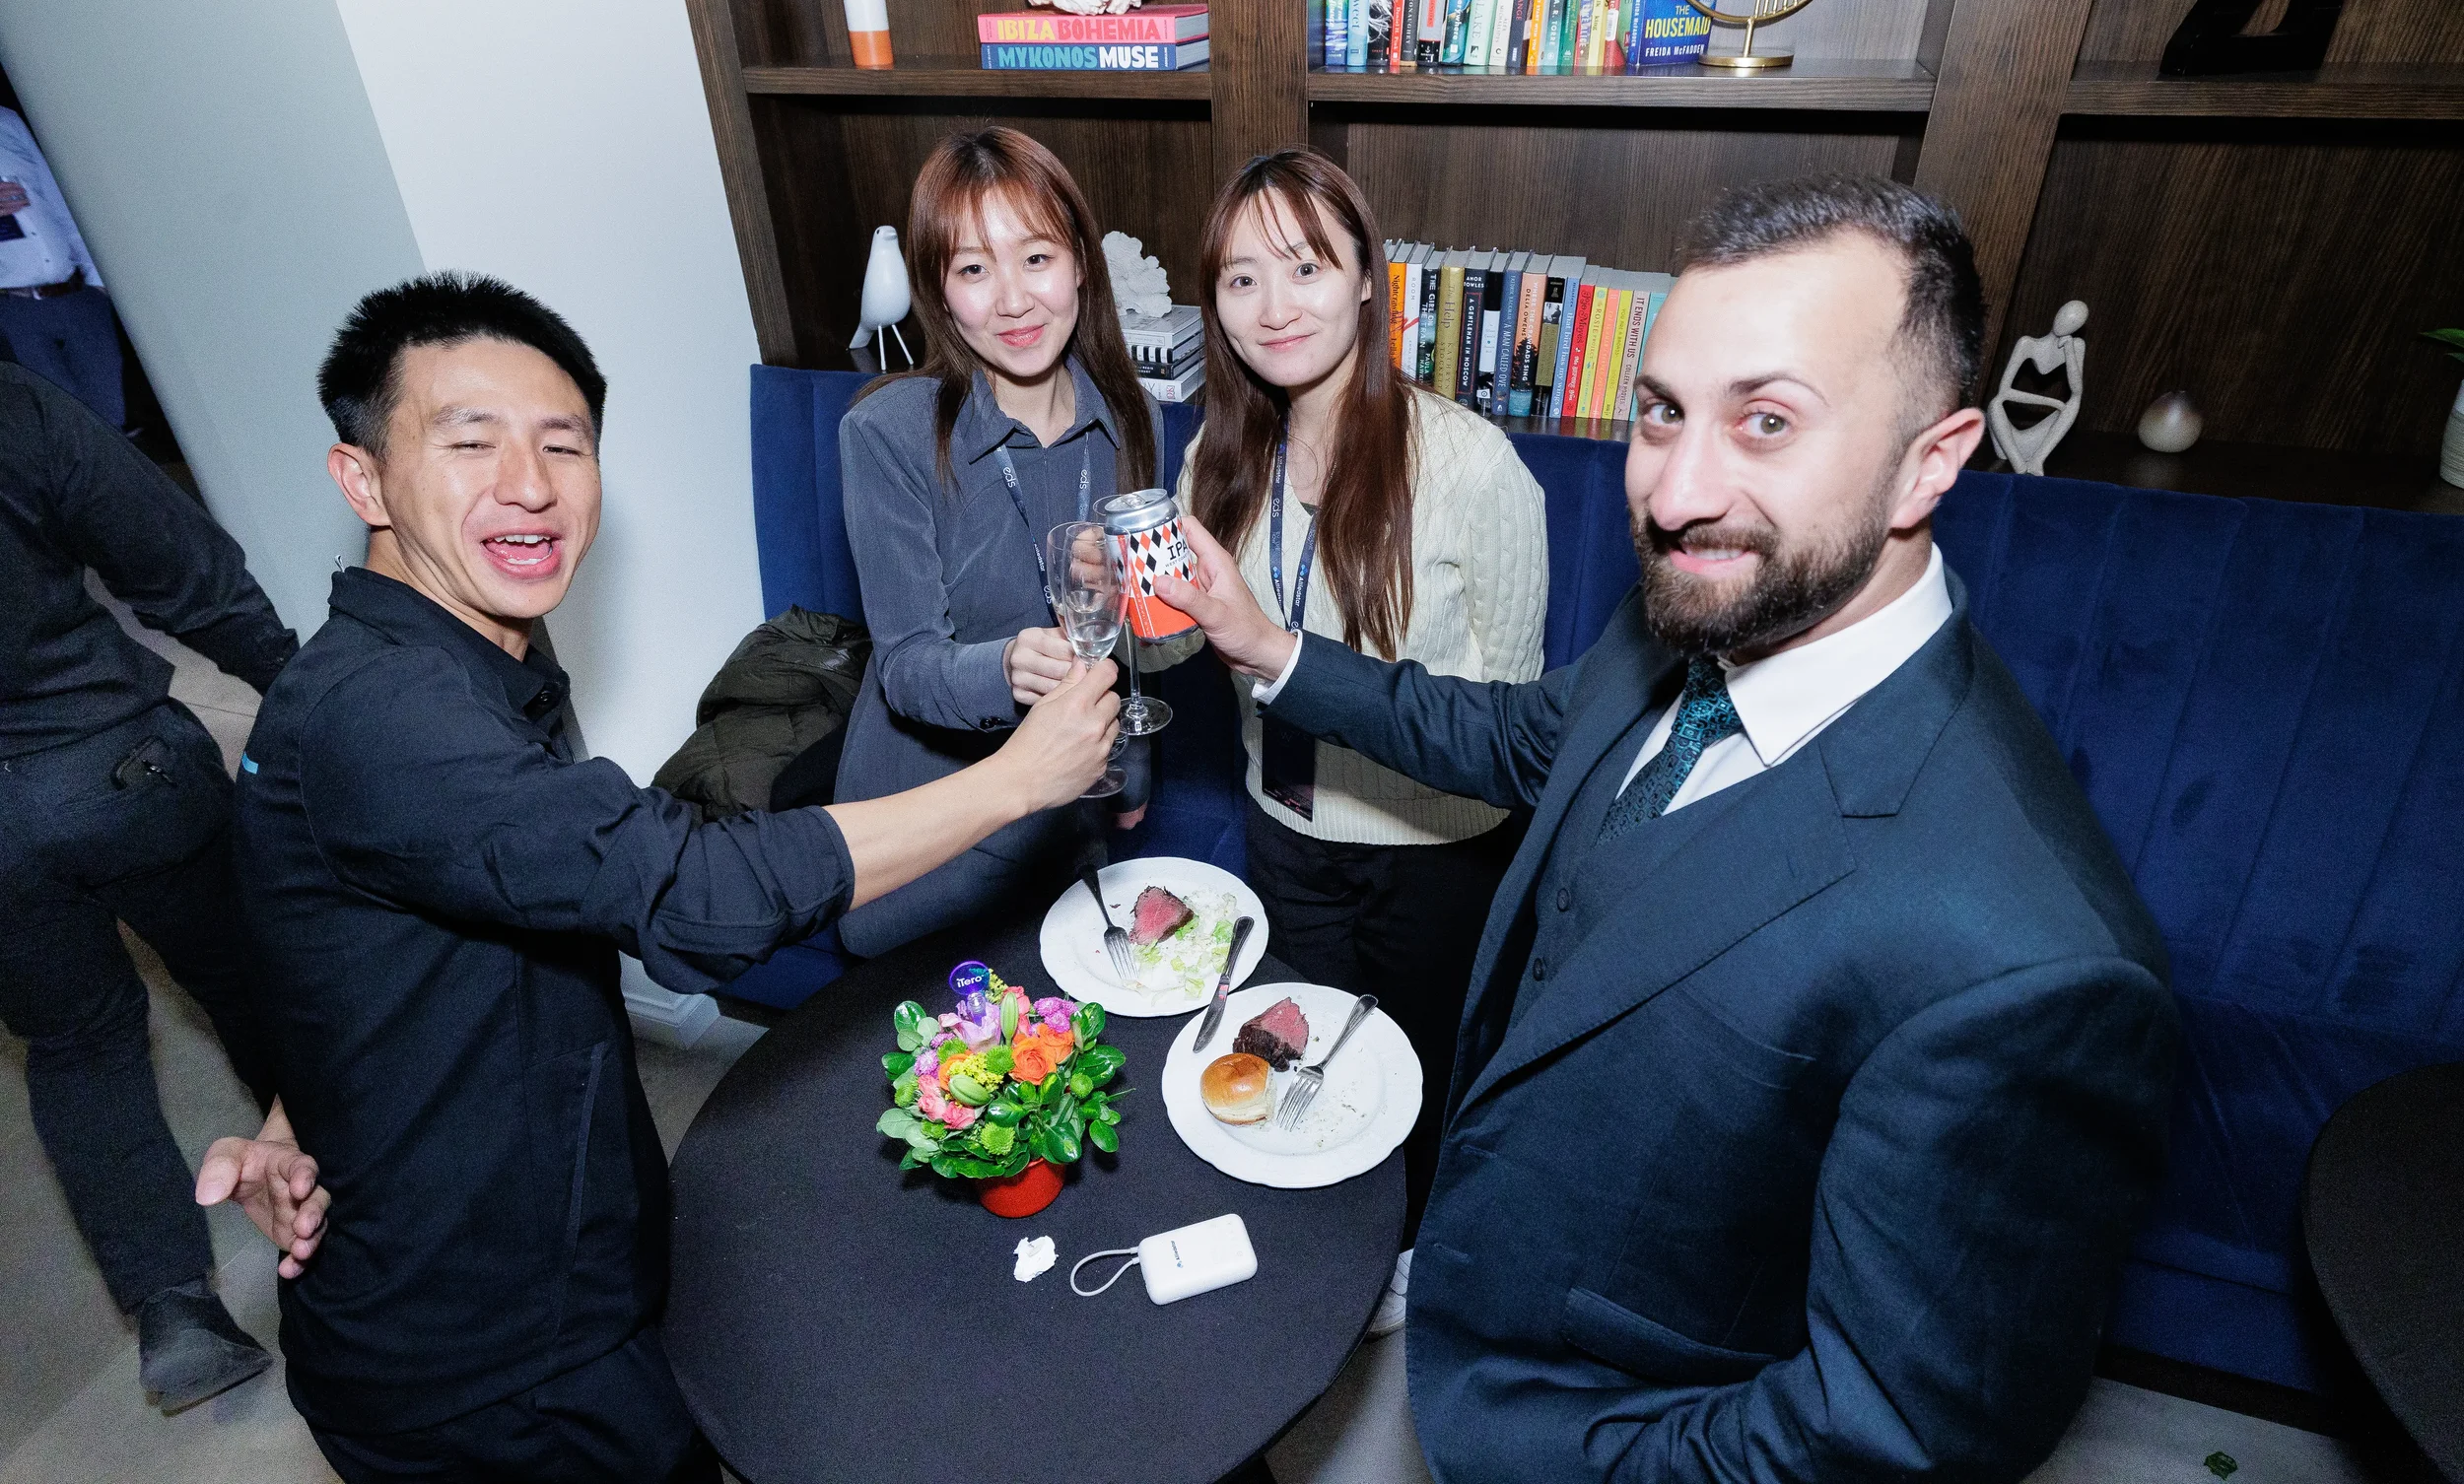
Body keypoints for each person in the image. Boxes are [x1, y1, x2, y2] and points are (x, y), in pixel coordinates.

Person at [1159, 176, 2178, 1483]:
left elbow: (1884, 1436)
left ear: (1933, 456)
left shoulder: (2033, 963)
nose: (1678, 490)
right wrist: (1269, 646)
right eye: (1662, 411)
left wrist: (1546, 1448)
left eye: (1767, 420)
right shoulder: (1683, 623)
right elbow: (1517, 739)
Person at [207, 271, 1120, 1483]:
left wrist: (300, 1107)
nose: (529, 484)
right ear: (362, 477)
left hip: (577, 1250)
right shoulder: (384, 713)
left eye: (562, 443)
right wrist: (1013, 780)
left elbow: (356, 916)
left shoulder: (471, 658)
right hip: (480, 1359)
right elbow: (691, 894)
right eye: (469, 441)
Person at [1176, 149, 1544, 1228]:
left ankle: (1405, 1247)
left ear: (1366, 278)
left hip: (1433, 850)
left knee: (1410, 1084)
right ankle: (1322, 1249)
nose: (1274, 306)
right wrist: (1123, 608)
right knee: (1301, 1069)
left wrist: (1267, 640)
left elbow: (1506, 736)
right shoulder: (1219, 452)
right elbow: (1170, 661)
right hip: (1281, 818)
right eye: (1241, 279)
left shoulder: (1474, 468)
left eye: (1305, 267)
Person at [0, 362, 304, 1412]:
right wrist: (297, 687)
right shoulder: (15, 406)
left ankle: (175, 1310)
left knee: (78, 1041)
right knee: (257, 973)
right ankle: (350, 1199)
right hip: (119, 769)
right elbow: (179, 568)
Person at [834, 126, 1165, 957]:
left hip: (1066, 824)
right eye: (974, 269)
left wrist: (1132, 768)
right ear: (940, 293)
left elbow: (1126, 631)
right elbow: (906, 665)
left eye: (1036, 258)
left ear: (1081, 264)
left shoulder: (1134, 420)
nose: (1014, 300)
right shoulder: (888, 431)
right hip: (925, 840)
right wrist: (1006, 667)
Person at [0, 105, 125, 431]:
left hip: (78, 295)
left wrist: (97, 281)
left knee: (111, 419)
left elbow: (59, 199)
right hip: (14, 312)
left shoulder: (6, 120)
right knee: (57, 429)